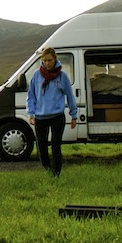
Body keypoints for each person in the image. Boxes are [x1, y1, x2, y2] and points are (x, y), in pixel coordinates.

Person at [26, 47, 77, 176]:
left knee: (56, 146)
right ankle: (48, 169)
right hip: (40, 117)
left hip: (57, 116)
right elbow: (31, 96)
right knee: (41, 147)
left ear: (55, 59)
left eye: (50, 60)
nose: (47, 63)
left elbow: (70, 96)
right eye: (45, 60)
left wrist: (74, 115)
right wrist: (30, 113)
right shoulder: (36, 76)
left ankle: (57, 173)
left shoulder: (62, 76)